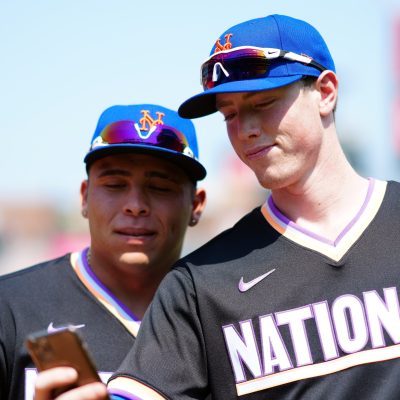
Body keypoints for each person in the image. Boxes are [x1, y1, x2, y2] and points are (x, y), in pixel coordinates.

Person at [99, 14, 400, 400]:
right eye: (230, 114)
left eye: (264, 102)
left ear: (325, 92)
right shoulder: (200, 282)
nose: (246, 129)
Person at [0, 103, 206, 400]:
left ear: (196, 205)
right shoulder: (10, 307)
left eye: (160, 186)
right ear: (84, 197)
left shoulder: (225, 312)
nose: (135, 204)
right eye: (114, 184)